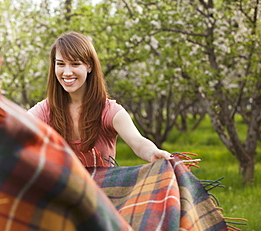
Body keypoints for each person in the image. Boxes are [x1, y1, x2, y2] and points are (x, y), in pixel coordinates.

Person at [28, 31, 172, 167]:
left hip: (104, 191)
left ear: (89, 66)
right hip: (62, 192)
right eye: (60, 64)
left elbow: (137, 142)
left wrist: (153, 152)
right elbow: (17, 128)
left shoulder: (109, 111)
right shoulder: (45, 110)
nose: (67, 72)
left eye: (75, 64)